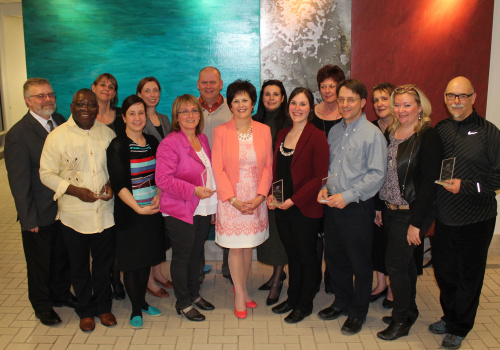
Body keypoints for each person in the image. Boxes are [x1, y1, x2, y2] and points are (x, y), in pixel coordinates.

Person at [430, 76, 500, 349]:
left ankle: (460, 326)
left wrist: (467, 186)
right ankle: (449, 316)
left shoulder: (489, 132)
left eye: (461, 96)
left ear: (473, 98)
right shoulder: (442, 129)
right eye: (450, 96)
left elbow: (498, 177)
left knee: (468, 276)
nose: (455, 102)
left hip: (477, 218)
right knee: (445, 272)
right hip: (446, 216)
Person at [40, 88, 117, 332]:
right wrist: (74, 190)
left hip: (105, 214)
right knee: (79, 266)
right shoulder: (57, 137)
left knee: (104, 266)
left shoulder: (107, 134)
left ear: (97, 108)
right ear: (72, 106)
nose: (86, 108)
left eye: (91, 105)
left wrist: (112, 184)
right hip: (73, 216)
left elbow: (117, 168)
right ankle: (85, 310)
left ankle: (104, 307)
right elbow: (46, 173)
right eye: (80, 104)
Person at [317, 79, 387, 334]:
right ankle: (342, 302)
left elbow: (377, 174)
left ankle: (358, 312)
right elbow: (331, 168)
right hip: (332, 205)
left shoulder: (373, 134)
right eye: (342, 99)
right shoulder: (335, 131)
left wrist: (347, 196)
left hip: (357, 207)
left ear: (362, 103)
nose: (345, 104)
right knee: (335, 259)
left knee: (359, 262)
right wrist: (324, 187)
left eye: (351, 100)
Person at [5, 78, 75, 326]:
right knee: (39, 263)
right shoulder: (17, 135)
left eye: (50, 94)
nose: (47, 99)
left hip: (64, 208)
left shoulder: (60, 122)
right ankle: (42, 305)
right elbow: (19, 181)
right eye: (40, 96)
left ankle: (61, 293)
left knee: (61, 257)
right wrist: (28, 219)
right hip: (38, 211)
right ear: (27, 101)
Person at [376, 84, 442, 341]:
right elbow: (389, 175)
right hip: (390, 209)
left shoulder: (427, 136)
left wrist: (417, 223)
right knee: (406, 266)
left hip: (410, 213)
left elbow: (428, 185)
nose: (401, 110)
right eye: (397, 105)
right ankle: (410, 310)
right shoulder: (393, 131)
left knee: (396, 266)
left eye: (407, 105)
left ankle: (400, 320)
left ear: (419, 107)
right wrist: (380, 207)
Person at [212, 79, 273, 319]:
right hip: (232, 199)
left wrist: (260, 196)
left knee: (248, 247)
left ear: (252, 102)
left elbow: (268, 166)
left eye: (245, 100)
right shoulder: (221, 132)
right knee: (236, 249)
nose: (240, 104)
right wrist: (233, 199)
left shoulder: (263, 130)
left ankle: (244, 290)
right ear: (230, 104)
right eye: (235, 100)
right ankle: (239, 294)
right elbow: (218, 168)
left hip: (255, 198)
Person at [268, 88, 329, 323]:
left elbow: (320, 177)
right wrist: (274, 195)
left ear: (310, 109)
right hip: (283, 207)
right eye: (294, 103)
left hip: (304, 207)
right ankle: (293, 297)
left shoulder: (316, 136)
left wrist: (293, 200)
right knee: (292, 254)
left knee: (306, 256)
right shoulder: (283, 133)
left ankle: (305, 303)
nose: (297, 108)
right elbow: (278, 171)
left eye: (303, 104)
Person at [156, 94, 217, 322]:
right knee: (183, 256)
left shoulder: (202, 139)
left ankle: (194, 294)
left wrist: (211, 206)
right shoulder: (170, 143)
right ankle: (182, 302)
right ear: (176, 117)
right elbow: (162, 179)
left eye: (194, 110)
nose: (190, 115)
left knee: (196, 253)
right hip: (180, 207)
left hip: (201, 206)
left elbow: (208, 175)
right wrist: (193, 190)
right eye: (185, 111)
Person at [106, 95, 164, 329]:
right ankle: (135, 309)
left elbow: (160, 175)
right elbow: (119, 184)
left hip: (152, 209)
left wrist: (158, 196)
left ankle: (143, 301)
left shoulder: (152, 141)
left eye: (141, 113)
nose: (138, 118)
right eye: (132, 113)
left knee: (146, 260)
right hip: (131, 213)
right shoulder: (118, 145)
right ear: (124, 117)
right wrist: (138, 208)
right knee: (132, 263)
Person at [136, 77, 173, 297]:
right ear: (139, 94)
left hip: (165, 181)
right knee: (149, 232)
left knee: (160, 231)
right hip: (147, 181)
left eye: (156, 90)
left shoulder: (164, 118)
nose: (152, 94)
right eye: (147, 91)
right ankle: (149, 280)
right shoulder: (137, 119)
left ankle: (158, 273)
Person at [253, 79, 289, 305]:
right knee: (266, 232)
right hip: (258, 185)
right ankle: (277, 272)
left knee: (278, 233)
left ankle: (277, 279)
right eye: (267, 94)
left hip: (280, 185)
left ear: (283, 97)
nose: (271, 98)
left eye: (276, 94)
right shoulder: (255, 121)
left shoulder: (288, 121)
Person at [197, 66, 233, 283]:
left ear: (221, 84)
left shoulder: (232, 110)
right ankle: (198, 269)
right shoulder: (190, 109)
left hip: (226, 178)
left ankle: (230, 268)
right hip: (198, 179)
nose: (208, 86)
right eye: (204, 82)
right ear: (198, 85)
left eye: (213, 82)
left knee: (228, 221)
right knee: (199, 225)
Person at [312, 64, 345, 294]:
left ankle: (332, 276)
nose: (327, 90)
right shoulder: (311, 112)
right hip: (314, 180)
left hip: (338, 180)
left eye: (332, 86)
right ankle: (313, 278)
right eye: (323, 86)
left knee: (334, 234)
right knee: (315, 232)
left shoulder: (348, 115)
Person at [92, 73, 125, 299]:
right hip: (95, 187)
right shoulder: (84, 115)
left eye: (111, 86)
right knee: (99, 238)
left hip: (120, 185)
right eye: (102, 85)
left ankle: (117, 280)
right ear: (94, 87)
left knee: (117, 237)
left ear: (114, 93)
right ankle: (101, 283)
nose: (106, 89)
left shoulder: (121, 115)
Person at [371, 83, 396, 307]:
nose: (379, 104)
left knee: (393, 244)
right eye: (376, 100)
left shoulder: (403, 128)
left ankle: (393, 289)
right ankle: (380, 284)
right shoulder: (371, 128)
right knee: (377, 242)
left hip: (396, 196)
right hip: (374, 195)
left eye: (384, 99)